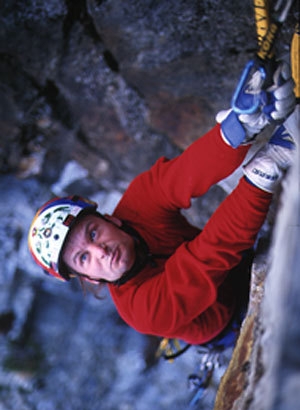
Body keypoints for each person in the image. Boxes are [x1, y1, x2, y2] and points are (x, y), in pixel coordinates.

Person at [28, 61, 296, 345]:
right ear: (89, 278)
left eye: (92, 233)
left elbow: (184, 174)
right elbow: (211, 255)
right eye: (84, 258)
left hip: (240, 262)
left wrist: (237, 128)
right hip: (234, 319)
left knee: (245, 150)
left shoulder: (135, 206)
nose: (100, 251)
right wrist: (264, 171)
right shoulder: (141, 311)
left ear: (110, 219)